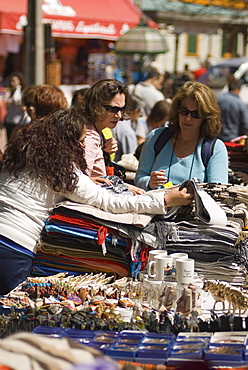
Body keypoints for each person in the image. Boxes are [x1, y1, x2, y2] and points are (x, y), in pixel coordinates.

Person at [0, 108, 193, 295]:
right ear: (67, 142)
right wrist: (164, 200)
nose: (84, 146)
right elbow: (110, 202)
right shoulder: (65, 172)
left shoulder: (21, 156)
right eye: (81, 140)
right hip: (15, 248)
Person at [134, 81, 229, 191]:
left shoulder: (215, 148)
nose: (188, 118)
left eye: (195, 114)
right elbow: (140, 177)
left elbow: (218, 191)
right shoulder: (156, 137)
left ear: (206, 117)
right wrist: (149, 182)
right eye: (184, 111)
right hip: (156, 206)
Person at [79, 79, 142, 193]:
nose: (118, 115)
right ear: (96, 106)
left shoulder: (95, 130)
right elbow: (81, 182)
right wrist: (125, 188)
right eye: (113, 109)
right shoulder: (89, 136)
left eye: (122, 109)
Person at [3, 71, 27, 140]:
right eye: (11, 81)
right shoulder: (9, 92)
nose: (12, 83)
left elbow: (17, 99)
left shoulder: (21, 92)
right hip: (9, 120)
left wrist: (18, 88)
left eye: (14, 81)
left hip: (18, 121)